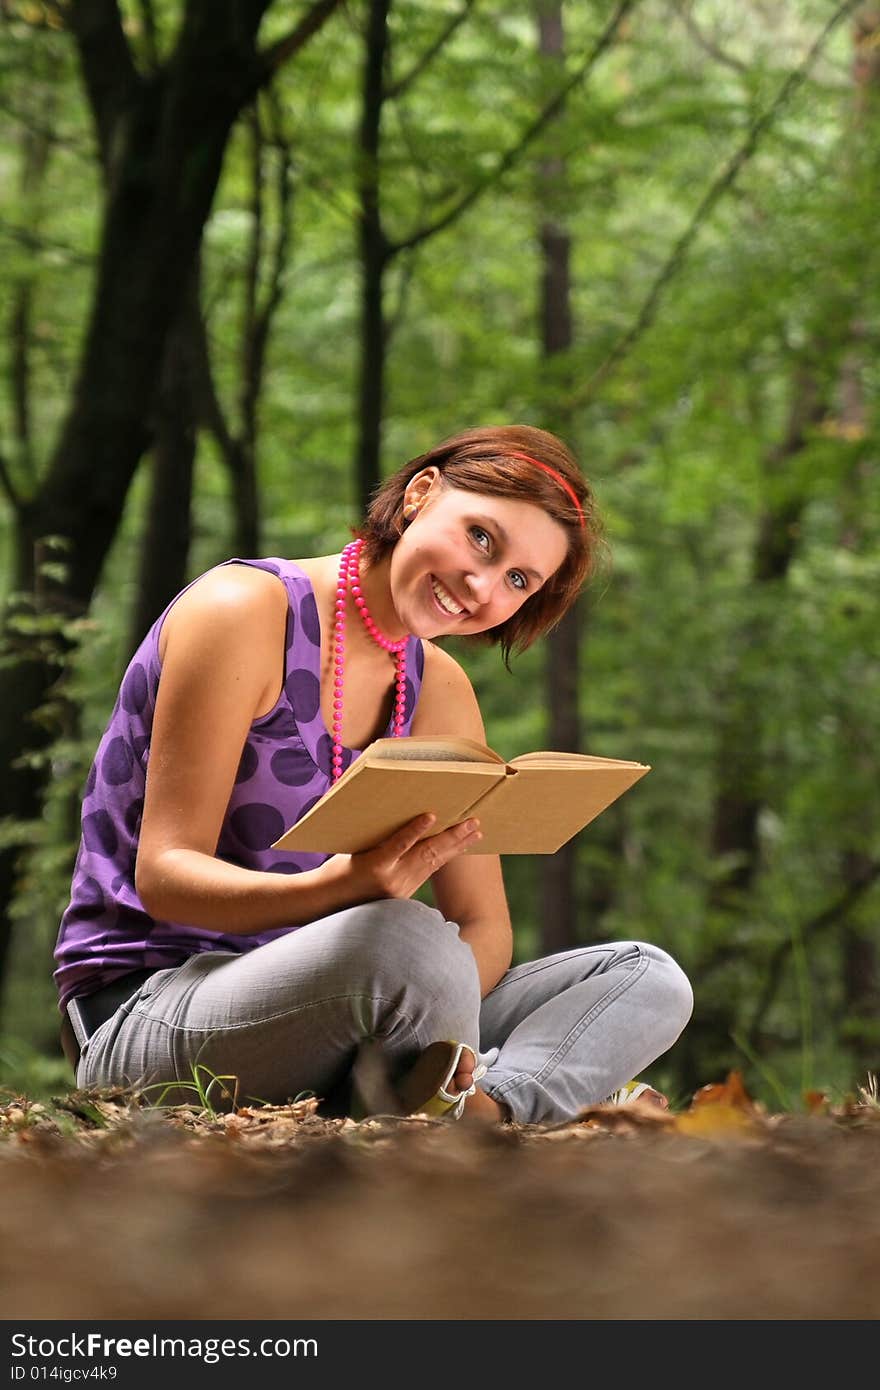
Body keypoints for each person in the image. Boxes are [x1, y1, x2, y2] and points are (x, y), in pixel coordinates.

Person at [54, 424, 693, 1123]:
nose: (481, 585)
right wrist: (348, 890)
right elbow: (166, 875)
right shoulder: (242, 611)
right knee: (405, 938)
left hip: (354, 1002)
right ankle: (503, 1092)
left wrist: (426, 987)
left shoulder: (440, 692)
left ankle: (483, 1103)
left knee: (644, 976)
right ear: (422, 493)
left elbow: (484, 927)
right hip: (148, 1006)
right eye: (481, 536)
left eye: (518, 580)